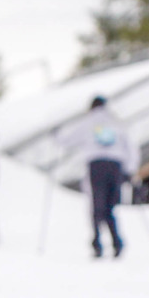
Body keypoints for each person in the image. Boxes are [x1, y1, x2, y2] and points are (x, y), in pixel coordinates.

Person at [58, 94, 132, 258]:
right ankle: (116, 242)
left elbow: (67, 140)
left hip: (96, 166)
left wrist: (56, 135)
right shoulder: (116, 122)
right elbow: (130, 148)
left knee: (97, 204)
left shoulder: (88, 122)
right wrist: (129, 170)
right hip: (115, 166)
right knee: (110, 208)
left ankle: (97, 243)